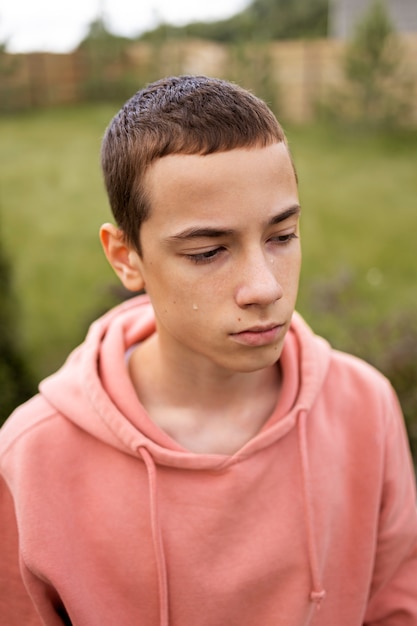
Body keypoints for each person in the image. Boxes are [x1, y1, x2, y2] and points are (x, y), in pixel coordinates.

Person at [0, 75, 416, 626]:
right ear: (126, 257)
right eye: (207, 251)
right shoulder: (30, 459)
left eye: (281, 236)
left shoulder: (366, 406)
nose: (264, 286)